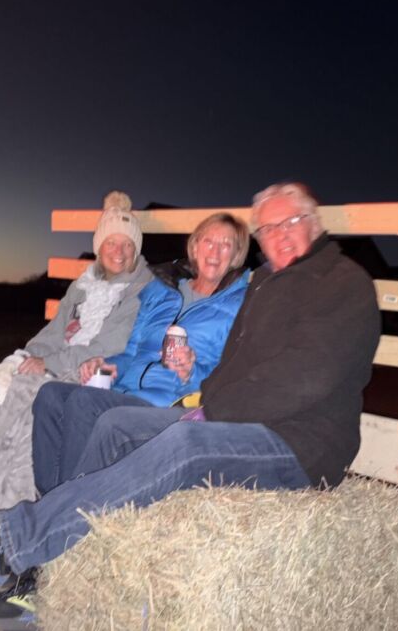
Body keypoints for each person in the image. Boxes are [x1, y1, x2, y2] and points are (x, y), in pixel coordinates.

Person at [0, 182, 381, 630]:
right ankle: (49, 578)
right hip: (234, 418)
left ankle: (10, 541)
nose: (278, 236)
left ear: (314, 223)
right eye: (268, 229)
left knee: (185, 443)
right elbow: (231, 369)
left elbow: (309, 375)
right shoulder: (266, 284)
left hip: (299, 443)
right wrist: (202, 391)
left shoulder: (341, 282)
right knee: (109, 422)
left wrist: (207, 408)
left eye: (289, 223)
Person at [0, 191, 153, 511]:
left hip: (87, 372)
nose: (120, 252)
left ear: (136, 250)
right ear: (99, 247)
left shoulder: (139, 291)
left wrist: (47, 364)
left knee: (20, 401)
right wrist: (23, 358)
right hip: (56, 362)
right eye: (112, 242)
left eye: (128, 244)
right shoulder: (84, 285)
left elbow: (107, 347)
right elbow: (55, 331)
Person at [32, 212, 250, 495]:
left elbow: (236, 373)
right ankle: (49, 496)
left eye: (226, 244)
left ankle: (66, 505)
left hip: (173, 401)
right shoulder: (163, 291)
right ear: (195, 247)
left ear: (236, 255)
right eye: (209, 241)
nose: (215, 251)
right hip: (127, 390)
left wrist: (192, 371)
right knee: (51, 395)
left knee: (85, 403)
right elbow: (133, 350)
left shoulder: (240, 304)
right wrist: (109, 365)